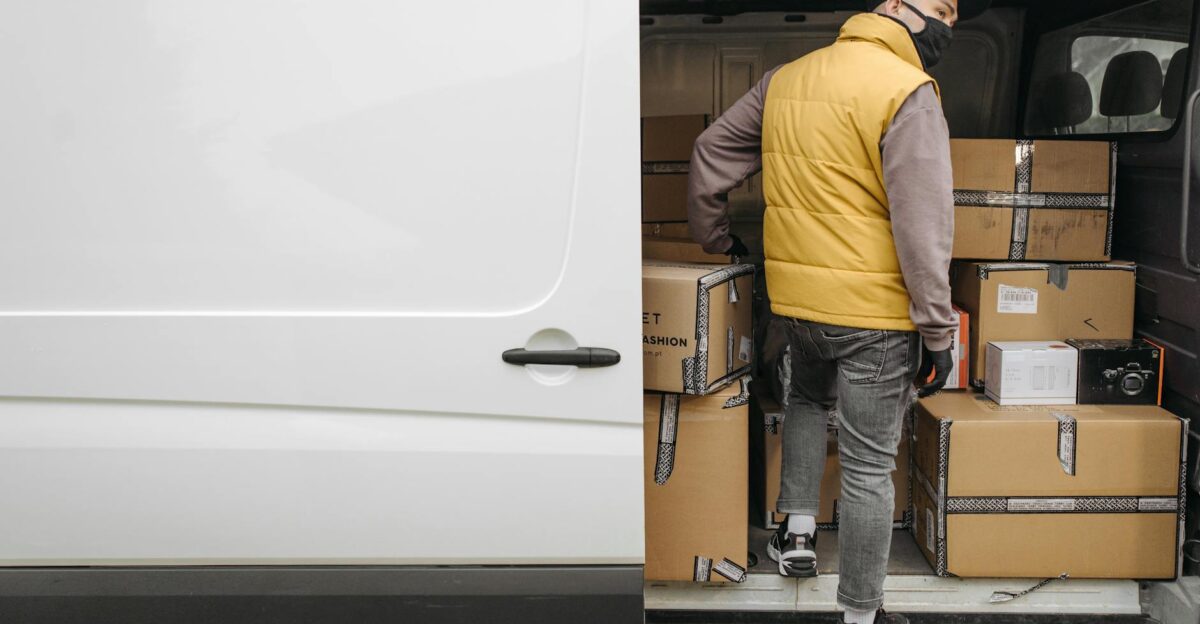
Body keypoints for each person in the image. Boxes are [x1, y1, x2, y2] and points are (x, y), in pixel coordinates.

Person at [687, 1, 988, 622]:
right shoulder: (908, 91)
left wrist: (716, 239)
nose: (947, 27)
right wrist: (938, 329)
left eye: (954, 18)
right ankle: (860, 614)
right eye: (940, 10)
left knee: (805, 398)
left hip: (799, 305)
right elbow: (923, 225)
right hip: (874, 319)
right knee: (869, 467)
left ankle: (796, 532)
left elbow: (711, 150)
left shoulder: (786, 79)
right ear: (894, 6)